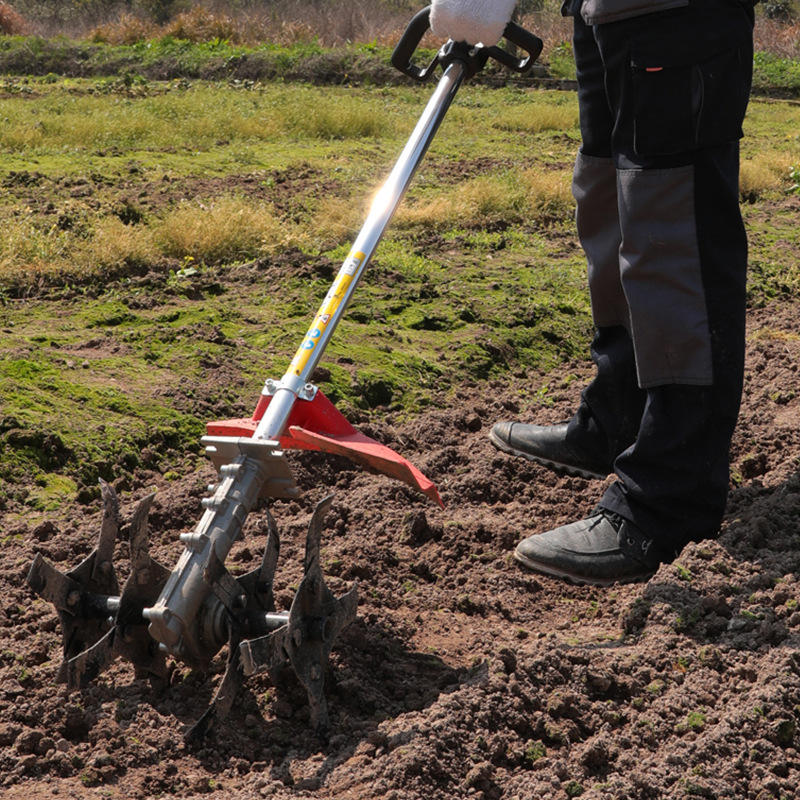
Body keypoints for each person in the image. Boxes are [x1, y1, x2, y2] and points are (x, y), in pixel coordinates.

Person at [430, 0, 757, 585]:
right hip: (605, 13)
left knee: (672, 233)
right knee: (607, 199)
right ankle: (617, 419)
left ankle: (670, 500)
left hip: (677, 14)